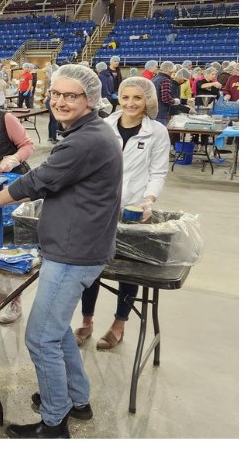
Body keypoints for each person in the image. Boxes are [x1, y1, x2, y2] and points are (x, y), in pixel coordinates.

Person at [0, 65, 123, 438]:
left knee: (40, 337)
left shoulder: (87, 140)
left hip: (73, 253)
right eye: (56, 94)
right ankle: (77, 399)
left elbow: (40, 179)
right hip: (74, 247)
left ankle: (54, 423)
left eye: (71, 96)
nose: (60, 101)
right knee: (57, 330)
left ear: (90, 99)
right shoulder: (87, 132)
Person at [75, 76, 170, 351]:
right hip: (99, 207)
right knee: (90, 268)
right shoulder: (104, 126)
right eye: (125, 97)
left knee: (129, 270)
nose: (130, 103)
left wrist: (148, 200)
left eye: (137, 98)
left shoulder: (157, 132)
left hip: (133, 209)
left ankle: (119, 324)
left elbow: (158, 171)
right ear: (118, 97)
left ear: (147, 100)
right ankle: (87, 321)